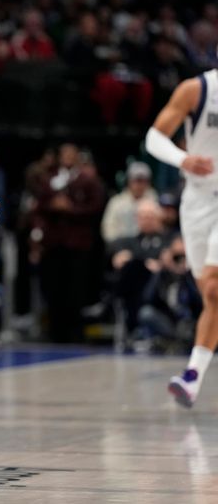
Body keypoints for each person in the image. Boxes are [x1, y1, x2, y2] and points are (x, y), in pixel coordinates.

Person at [145, 69, 218, 408]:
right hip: (199, 201)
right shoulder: (196, 89)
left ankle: (192, 374)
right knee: (210, 295)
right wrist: (183, 158)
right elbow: (154, 137)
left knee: (216, 288)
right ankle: (194, 376)